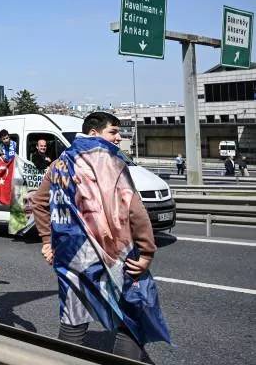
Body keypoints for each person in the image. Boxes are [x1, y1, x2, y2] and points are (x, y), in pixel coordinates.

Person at [31, 112, 169, 359]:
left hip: (70, 256)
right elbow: (134, 210)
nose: (119, 138)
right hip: (111, 256)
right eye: (113, 132)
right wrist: (147, 252)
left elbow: (38, 202)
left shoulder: (59, 163)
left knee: (73, 320)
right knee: (131, 321)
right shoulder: (109, 162)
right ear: (94, 133)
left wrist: (46, 240)